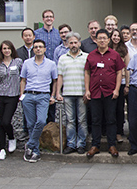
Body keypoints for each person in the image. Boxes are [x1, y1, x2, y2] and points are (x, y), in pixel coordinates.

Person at [84, 29, 125, 158]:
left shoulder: (114, 55)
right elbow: (87, 73)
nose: (102, 40)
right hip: (95, 92)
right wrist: (87, 90)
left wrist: (117, 89)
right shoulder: (91, 55)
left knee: (111, 119)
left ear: (108, 40)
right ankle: (95, 145)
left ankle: (111, 145)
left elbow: (119, 72)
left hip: (110, 92)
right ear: (95, 40)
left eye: (104, 38)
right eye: (99, 38)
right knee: (96, 120)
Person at [20, 39, 58, 163]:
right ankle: (35, 151)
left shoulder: (51, 64)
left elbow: (55, 81)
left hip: (43, 96)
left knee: (41, 121)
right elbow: (23, 80)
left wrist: (53, 95)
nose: (38, 49)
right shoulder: (27, 63)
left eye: (40, 47)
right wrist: (22, 95)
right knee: (31, 124)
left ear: (45, 49)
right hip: (29, 95)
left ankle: (29, 145)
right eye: (36, 47)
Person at [55, 32, 88, 155]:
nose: (73, 45)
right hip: (68, 93)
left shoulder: (86, 57)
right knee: (70, 121)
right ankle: (71, 144)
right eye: (71, 43)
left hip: (81, 93)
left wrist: (87, 91)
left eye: (75, 42)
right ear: (67, 44)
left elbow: (88, 75)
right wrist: (58, 92)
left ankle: (81, 144)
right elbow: (60, 76)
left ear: (79, 43)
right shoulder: (62, 58)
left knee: (82, 120)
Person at [0, 40, 23, 160]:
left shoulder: (18, 62)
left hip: (13, 96)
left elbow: (23, 78)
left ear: (12, 49)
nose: (7, 50)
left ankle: (11, 137)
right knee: (0, 123)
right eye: (4, 48)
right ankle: (2, 149)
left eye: (8, 48)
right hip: (0, 95)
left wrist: (21, 93)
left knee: (6, 121)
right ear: (1, 50)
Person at [109, 28, 131, 143]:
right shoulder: (106, 49)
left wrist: (127, 84)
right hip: (109, 83)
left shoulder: (124, 50)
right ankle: (110, 132)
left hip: (121, 82)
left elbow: (127, 69)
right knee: (109, 109)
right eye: (114, 35)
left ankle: (119, 132)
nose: (116, 37)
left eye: (118, 36)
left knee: (119, 109)